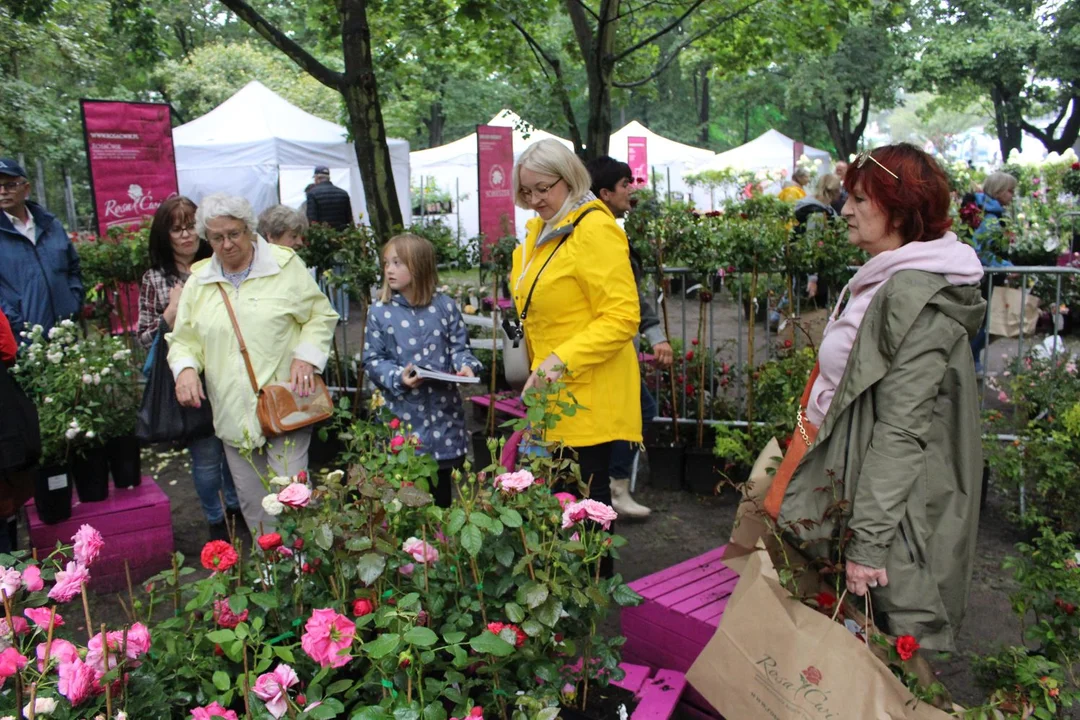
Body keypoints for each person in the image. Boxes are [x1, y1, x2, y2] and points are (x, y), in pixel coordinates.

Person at [778, 143, 985, 654]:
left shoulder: (913, 294)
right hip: (847, 478)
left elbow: (902, 428)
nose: (845, 209)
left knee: (887, 658)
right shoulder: (883, 276)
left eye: (861, 199)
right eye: (848, 196)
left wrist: (868, 543)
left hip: (884, 504)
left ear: (901, 208)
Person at [168, 193, 339, 532]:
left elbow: (320, 315)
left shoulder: (284, 264)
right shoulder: (200, 281)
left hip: (285, 405)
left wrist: (307, 358)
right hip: (233, 412)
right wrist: (185, 369)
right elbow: (184, 339)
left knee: (292, 500)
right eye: (216, 237)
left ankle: (304, 574)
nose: (227, 244)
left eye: (234, 234)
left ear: (249, 229)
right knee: (253, 503)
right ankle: (272, 575)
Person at [510, 139, 641, 531]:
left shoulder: (593, 228)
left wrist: (557, 361)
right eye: (527, 191)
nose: (533, 199)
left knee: (584, 521)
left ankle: (594, 587)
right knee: (560, 521)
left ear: (569, 179)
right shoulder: (542, 230)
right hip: (555, 393)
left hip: (587, 399)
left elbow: (622, 316)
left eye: (543, 188)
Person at [137, 196, 242, 542]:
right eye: (176, 228)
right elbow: (143, 338)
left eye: (190, 227)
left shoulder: (218, 265)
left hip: (226, 373)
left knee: (235, 453)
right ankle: (215, 518)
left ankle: (237, 508)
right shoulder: (155, 279)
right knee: (208, 457)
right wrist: (170, 313)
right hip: (188, 381)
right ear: (164, 235)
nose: (185, 235)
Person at [362, 234, 483, 508]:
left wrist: (466, 367)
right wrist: (397, 377)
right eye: (386, 263)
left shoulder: (445, 307)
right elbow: (372, 360)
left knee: (442, 501)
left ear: (419, 266)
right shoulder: (380, 312)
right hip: (402, 423)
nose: (389, 269)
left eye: (397, 262)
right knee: (406, 500)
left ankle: (439, 548)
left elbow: (460, 349)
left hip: (445, 424)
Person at [586, 155, 672, 519]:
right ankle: (613, 489)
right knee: (637, 411)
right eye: (625, 185)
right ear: (605, 193)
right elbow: (630, 296)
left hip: (607, 344)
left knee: (628, 413)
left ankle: (606, 489)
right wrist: (656, 336)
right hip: (606, 346)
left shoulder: (602, 228)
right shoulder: (601, 233)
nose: (631, 190)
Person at [0, 158, 84, 337]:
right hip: (23, 337)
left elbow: (73, 267)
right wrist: (16, 322)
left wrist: (73, 302)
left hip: (65, 330)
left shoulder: (50, 225)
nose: (3, 192)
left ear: (26, 188)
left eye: (10, 185)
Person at [968, 171, 1017, 372]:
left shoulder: (988, 212)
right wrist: (1006, 266)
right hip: (986, 277)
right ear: (998, 191)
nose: (1012, 195)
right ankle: (969, 358)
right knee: (988, 323)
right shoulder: (991, 217)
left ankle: (974, 361)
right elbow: (980, 252)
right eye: (1010, 191)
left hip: (985, 276)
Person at [794, 173, 843, 301]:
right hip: (812, 270)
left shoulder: (816, 207)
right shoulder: (818, 213)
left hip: (804, 265)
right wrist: (813, 278)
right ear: (835, 191)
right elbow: (812, 244)